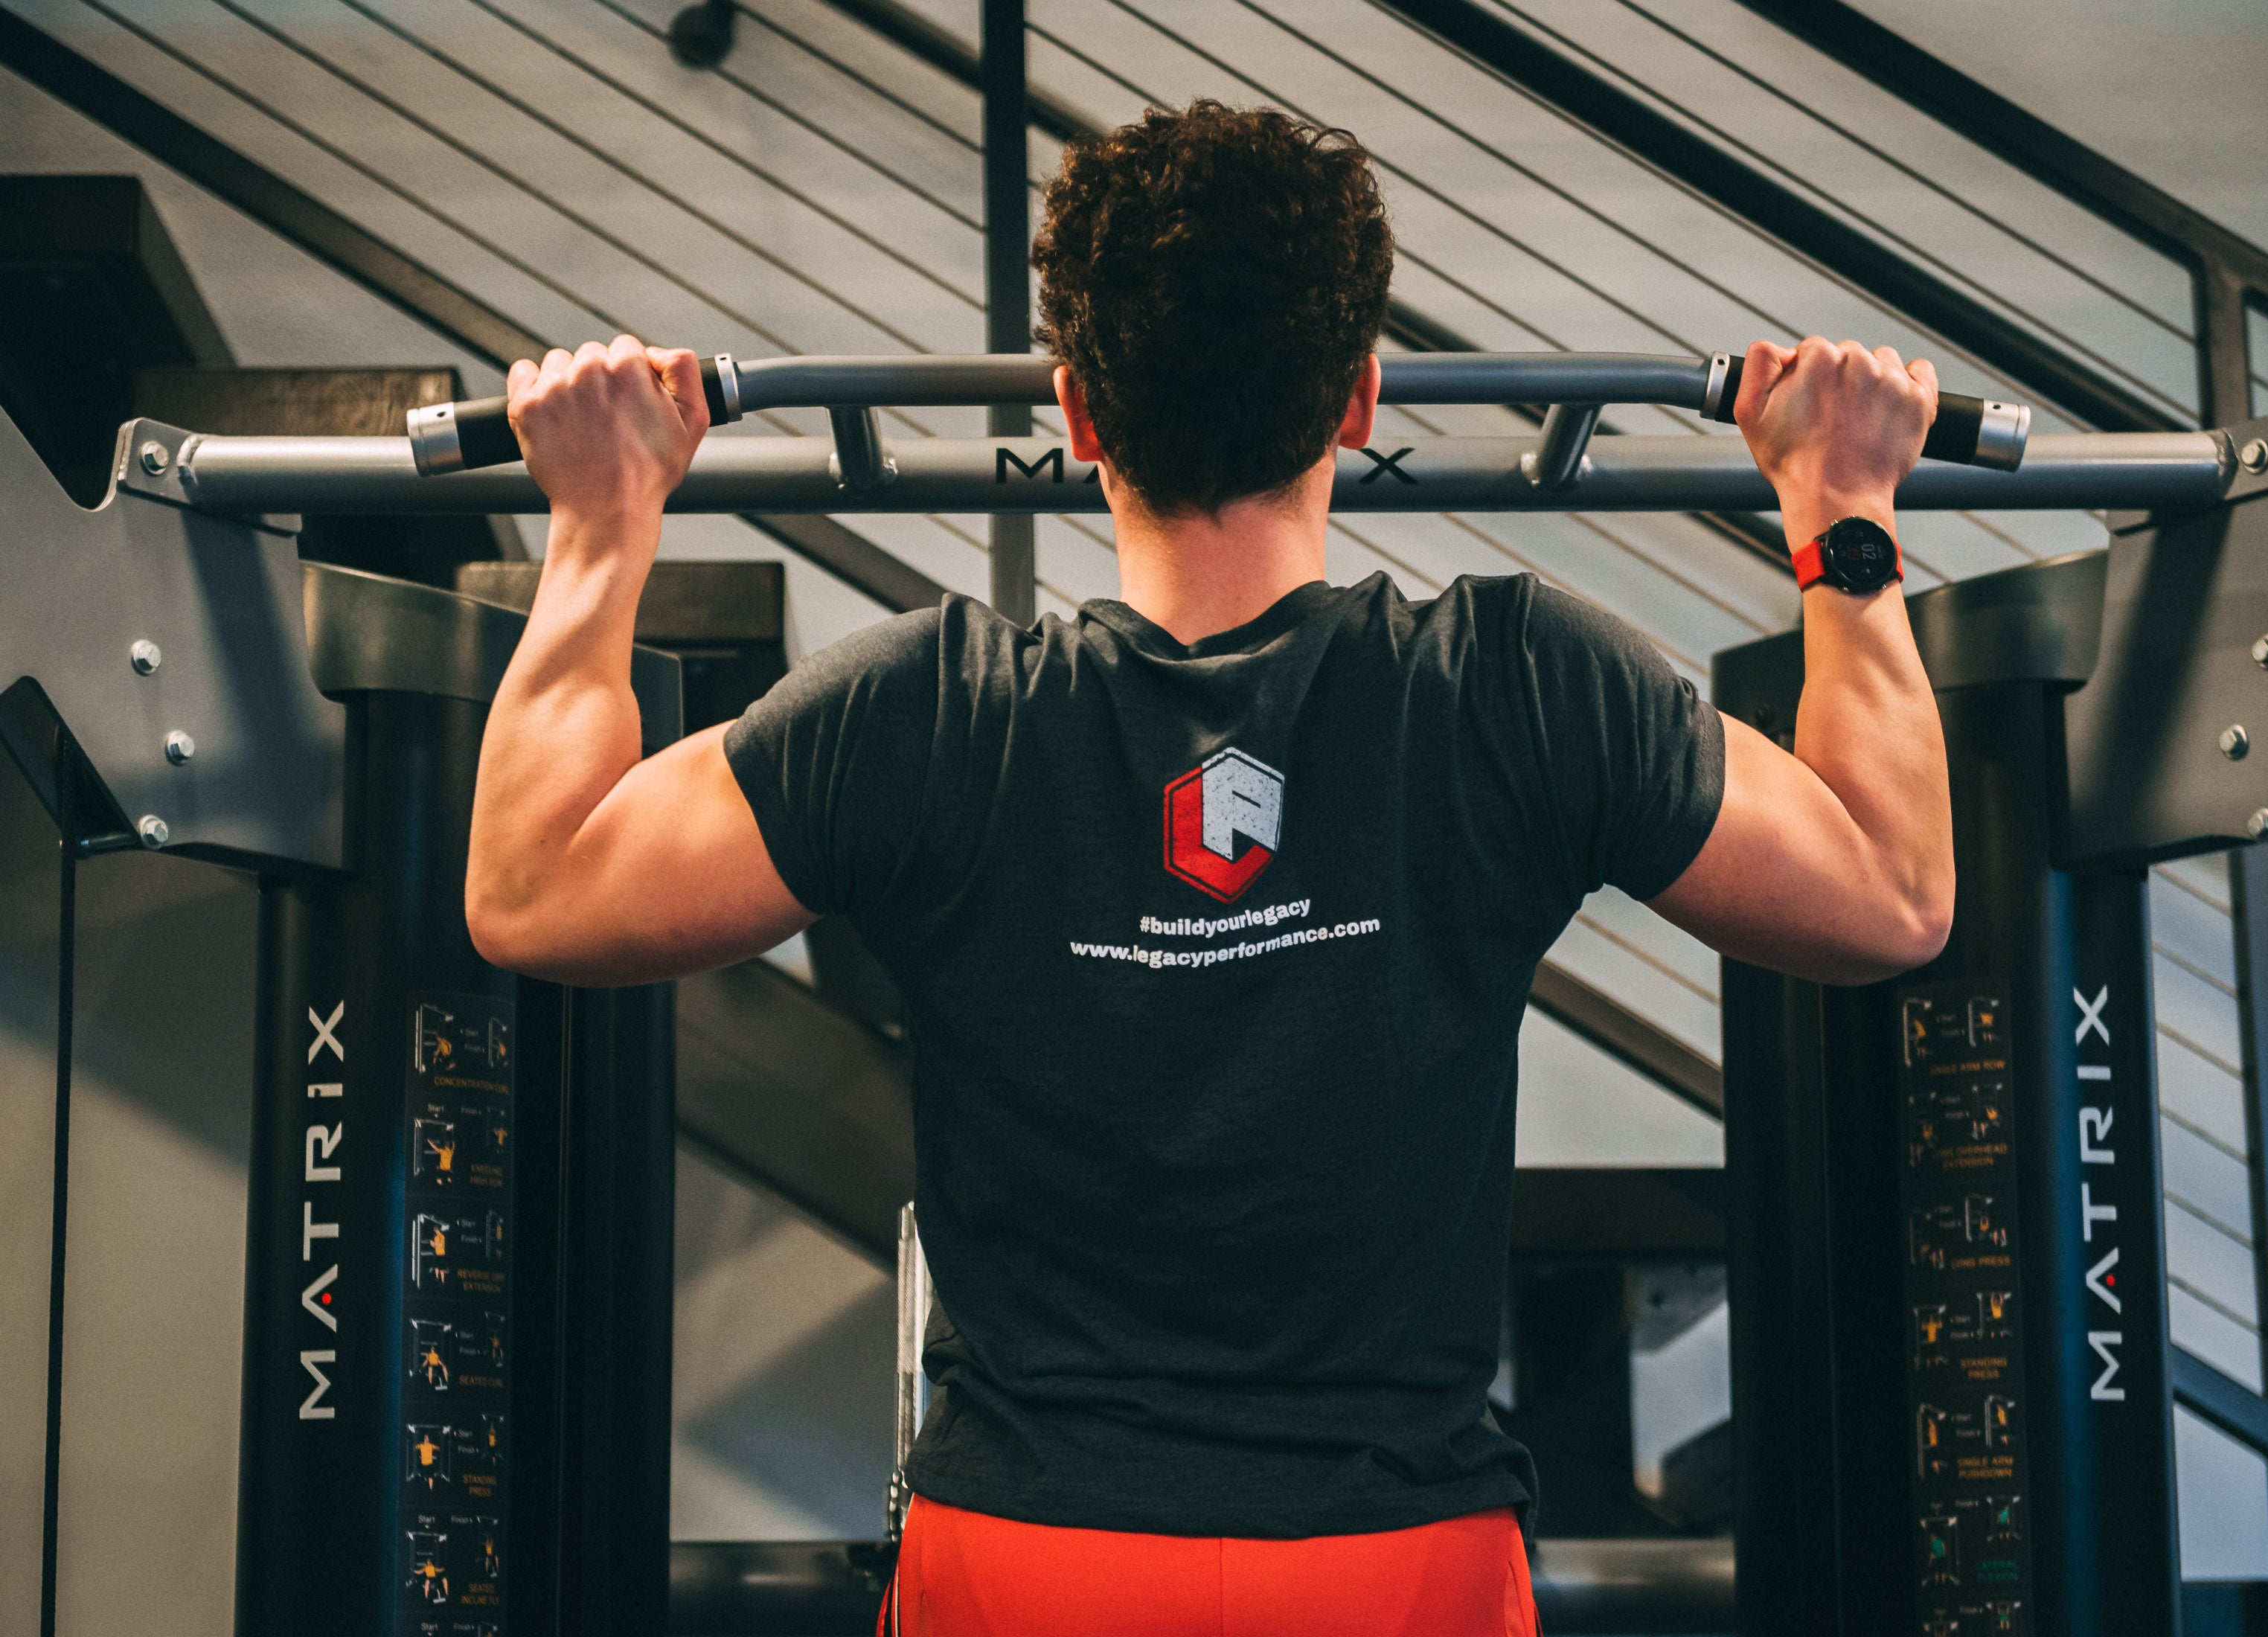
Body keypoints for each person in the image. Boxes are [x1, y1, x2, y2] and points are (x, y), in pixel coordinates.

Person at [465, 101, 1952, 1637]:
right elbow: (1892, 893)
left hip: (1035, 1556)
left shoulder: (926, 713)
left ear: (1081, 415)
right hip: (1398, 1558)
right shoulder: (1518, 685)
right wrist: (1840, 511)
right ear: (1360, 397)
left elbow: (532, 890)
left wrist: (600, 521)